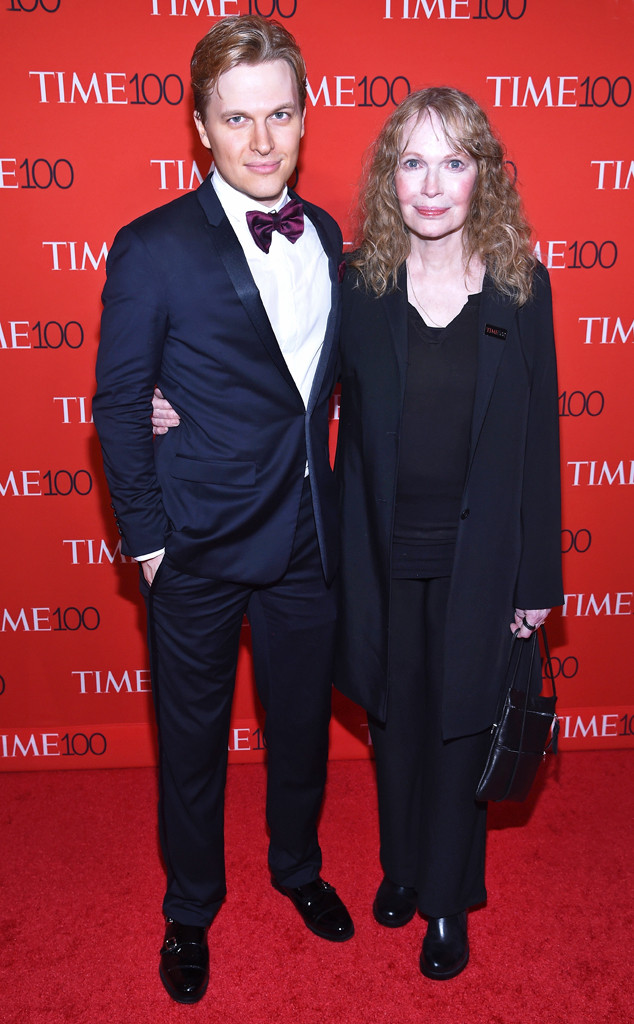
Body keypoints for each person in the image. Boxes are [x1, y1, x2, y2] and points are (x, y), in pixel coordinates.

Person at [92, 15, 353, 1007]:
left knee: (300, 730)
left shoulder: (325, 234)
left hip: (305, 540)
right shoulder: (152, 247)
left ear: (301, 116)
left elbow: (316, 390)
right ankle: (190, 907)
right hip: (194, 546)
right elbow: (120, 402)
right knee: (191, 745)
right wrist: (150, 543)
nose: (259, 141)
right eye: (236, 118)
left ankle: (297, 868)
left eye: (278, 114)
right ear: (201, 125)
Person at [334, 87, 563, 980]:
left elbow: (542, 437)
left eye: (454, 162)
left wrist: (534, 579)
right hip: (382, 558)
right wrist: (175, 406)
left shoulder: (523, 287)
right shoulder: (359, 285)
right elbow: (288, 395)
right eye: (414, 163)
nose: (433, 186)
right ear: (393, 180)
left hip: (481, 563)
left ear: (484, 178)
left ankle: (444, 901)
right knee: (394, 724)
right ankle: (399, 866)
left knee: (462, 727)